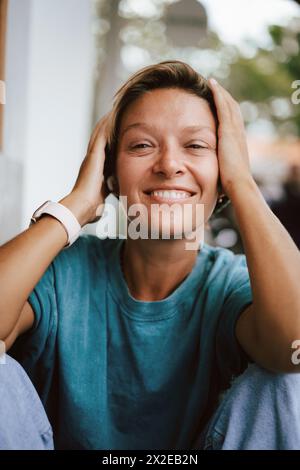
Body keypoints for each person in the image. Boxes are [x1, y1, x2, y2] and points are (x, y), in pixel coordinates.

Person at [0, 60, 300, 450]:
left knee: (285, 379)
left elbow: (292, 349)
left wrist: (243, 182)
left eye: (195, 146)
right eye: (142, 145)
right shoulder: (63, 273)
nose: (169, 165)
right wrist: (76, 205)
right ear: (110, 173)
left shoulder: (231, 288)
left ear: (222, 176)